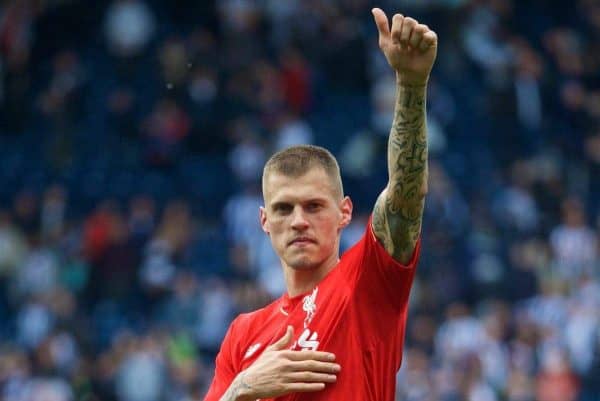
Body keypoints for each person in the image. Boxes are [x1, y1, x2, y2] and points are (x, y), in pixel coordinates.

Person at [203, 8, 437, 401]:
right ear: (264, 220)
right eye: (283, 209)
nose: (298, 221)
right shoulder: (242, 335)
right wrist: (243, 387)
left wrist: (411, 85)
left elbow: (405, 196)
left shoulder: (366, 284)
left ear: (344, 211)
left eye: (313, 206)